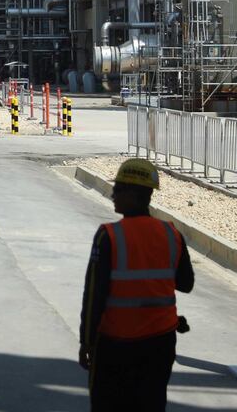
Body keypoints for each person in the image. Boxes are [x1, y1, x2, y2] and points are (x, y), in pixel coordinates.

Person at [79, 158, 194, 411]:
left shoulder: (108, 235)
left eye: (118, 189)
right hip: (160, 343)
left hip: (116, 344)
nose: (113, 194)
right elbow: (186, 284)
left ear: (134, 194)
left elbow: (94, 296)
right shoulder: (171, 234)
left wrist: (86, 341)